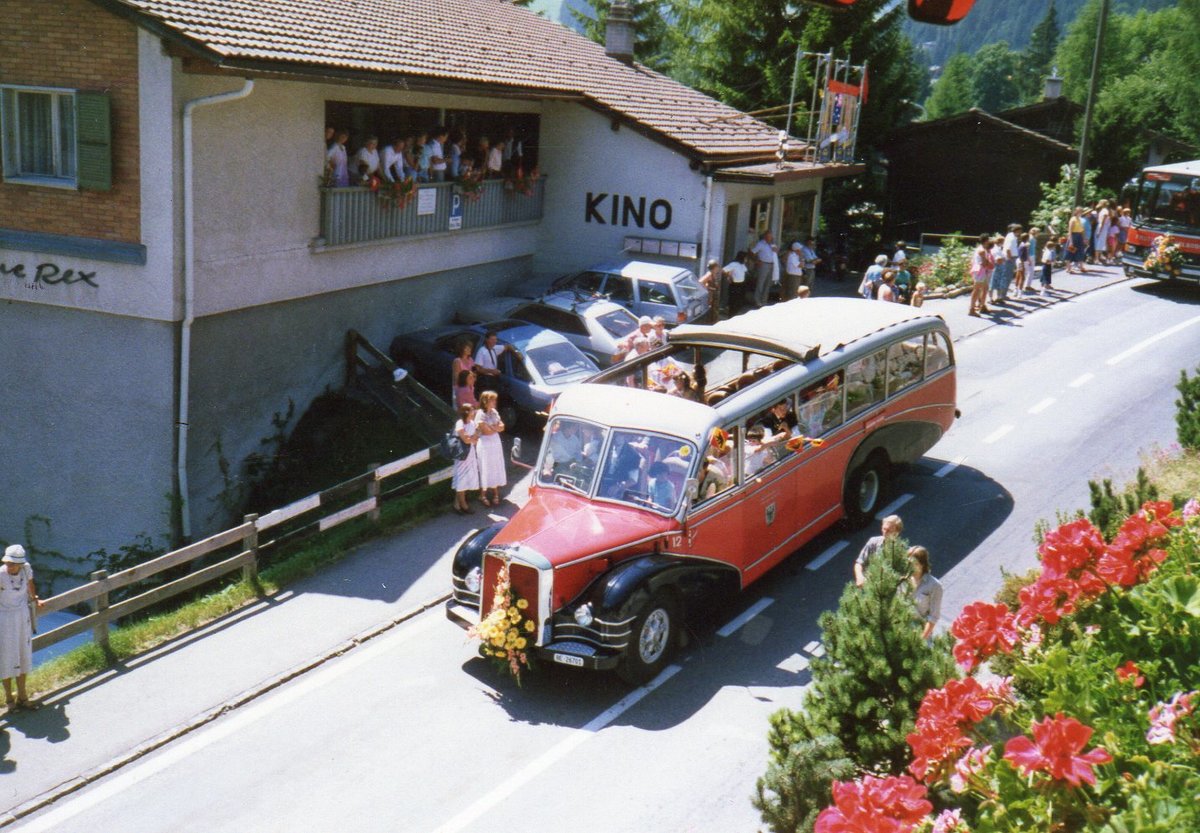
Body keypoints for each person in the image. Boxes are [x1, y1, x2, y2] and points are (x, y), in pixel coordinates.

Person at [1, 545, 43, 710]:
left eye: (12, 563)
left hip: (22, 616)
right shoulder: (0, 575)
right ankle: (9, 699)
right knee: (6, 656)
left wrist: (35, 599)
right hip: (4, 618)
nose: (9, 566)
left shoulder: (26, 570)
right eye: (7, 562)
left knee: (23, 654)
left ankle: (22, 696)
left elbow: (30, 585)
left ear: (20, 563)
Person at [475, 390, 507, 507]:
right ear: (485, 401)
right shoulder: (480, 414)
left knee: (495, 466)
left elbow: (502, 427)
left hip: (495, 443)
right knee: (486, 467)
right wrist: (495, 427)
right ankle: (482, 494)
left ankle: (495, 492)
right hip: (485, 444)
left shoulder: (493, 412)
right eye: (492, 400)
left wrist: (492, 427)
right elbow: (486, 432)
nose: (494, 402)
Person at [854, 514, 903, 587]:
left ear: (897, 532)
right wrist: (859, 577)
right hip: (871, 585)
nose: (885, 532)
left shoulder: (902, 550)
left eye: (889, 530)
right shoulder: (873, 542)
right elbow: (859, 562)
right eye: (884, 529)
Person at [907, 546, 943, 641]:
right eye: (908, 563)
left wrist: (921, 639)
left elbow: (933, 617)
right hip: (901, 628)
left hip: (921, 631)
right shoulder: (902, 580)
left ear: (922, 564)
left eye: (914, 563)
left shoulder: (934, 585)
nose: (909, 566)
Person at [451, 404, 480, 514]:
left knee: (465, 478)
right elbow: (466, 440)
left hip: (470, 453)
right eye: (472, 410)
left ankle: (456, 504)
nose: (474, 412)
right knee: (461, 478)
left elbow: (475, 439)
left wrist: (472, 438)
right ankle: (464, 505)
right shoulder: (460, 423)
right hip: (462, 454)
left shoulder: (472, 423)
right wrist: (472, 438)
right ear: (466, 412)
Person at [750, 231, 779, 308]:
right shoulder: (761, 244)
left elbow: (775, 254)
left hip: (772, 264)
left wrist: (776, 250)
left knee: (768, 283)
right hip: (764, 264)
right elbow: (752, 252)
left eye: (771, 236)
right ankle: (757, 301)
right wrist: (756, 261)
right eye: (769, 236)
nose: (770, 238)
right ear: (765, 236)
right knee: (761, 283)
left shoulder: (773, 244)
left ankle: (764, 301)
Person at [968, 234, 992, 316]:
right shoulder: (982, 250)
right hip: (980, 271)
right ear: (986, 241)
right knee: (977, 290)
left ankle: (982, 306)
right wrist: (987, 261)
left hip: (981, 271)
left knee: (985, 288)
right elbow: (985, 263)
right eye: (988, 240)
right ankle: (971, 309)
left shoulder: (982, 249)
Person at [1067, 207, 1087, 274]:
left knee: (1080, 251)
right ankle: (1068, 268)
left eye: (1081, 211)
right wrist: (1071, 240)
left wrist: (1084, 238)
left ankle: (1081, 267)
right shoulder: (1073, 219)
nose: (1080, 212)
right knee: (1071, 252)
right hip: (1074, 236)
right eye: (1079, 211)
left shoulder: (1079, 219)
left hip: (1079, 237)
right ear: (1076, 211)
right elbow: (1070, 231)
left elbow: (1082, 230)